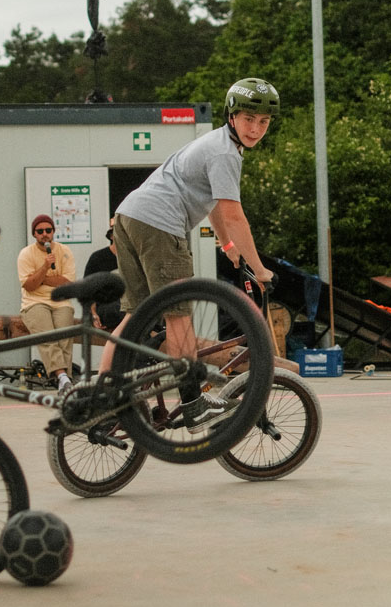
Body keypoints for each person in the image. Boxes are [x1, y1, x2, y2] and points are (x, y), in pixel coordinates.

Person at [99, 77, 279, 429]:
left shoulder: (215, 143)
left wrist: (228, 247)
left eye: (264, 122)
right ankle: (193, 403)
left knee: (134, 316)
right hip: (160, 226)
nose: (256, 129)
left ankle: (105, 397)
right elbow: (232, 213)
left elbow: (214, 205)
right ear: (232, 116)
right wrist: (259, 268)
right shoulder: (226, 153)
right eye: (249, 119)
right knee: (178, 316)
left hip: (128, 218)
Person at [17, 214, 77, 391]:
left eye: (48, 230)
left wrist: (41, 279)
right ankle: (63, 377)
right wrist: (44, 267)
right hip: (34, 302)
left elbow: (68, 283)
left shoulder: (65, 251)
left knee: (65, 335)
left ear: (53, 232)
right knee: (48, 336)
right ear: (34, 234)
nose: (45, 234)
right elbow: (29, 286)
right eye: (40, 231)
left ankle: (63, 381)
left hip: (61, 301)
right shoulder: (26, 254)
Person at [83, 217, 124, 332]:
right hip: (108, 306)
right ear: (111, 236)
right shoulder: (98, 258)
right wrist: (93, 314)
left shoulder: (135, 258)